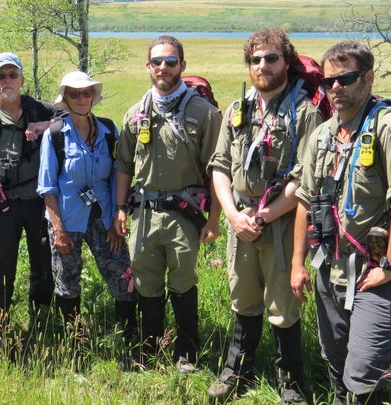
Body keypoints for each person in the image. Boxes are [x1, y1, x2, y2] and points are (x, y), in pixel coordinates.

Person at [290, 41, 391, 405]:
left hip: (373, 274)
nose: (336, 87)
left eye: (346, 78)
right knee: (335, 360)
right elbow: (305, 199)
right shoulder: (321, 135)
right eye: (329, 81)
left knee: (364, 374)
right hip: (327, 268)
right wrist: (296, 264)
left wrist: (390, 265)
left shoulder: (390, 128)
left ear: (367, 78)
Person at [207, 28, 326, 403]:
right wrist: (232, 215)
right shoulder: (237, 109)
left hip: (283, 224)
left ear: (287, 62)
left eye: (271, 57)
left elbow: (304, 179)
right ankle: (236, 371)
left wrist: (265, 216)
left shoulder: (305, 114)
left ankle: (290, 380)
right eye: (255, 59)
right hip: (240, 220)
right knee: (242, 298)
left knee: (283, 305)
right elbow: (220, 166)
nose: (262, 65)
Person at [113, 36, 222, 374]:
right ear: (148, 67)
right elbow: (124, 166)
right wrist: (119, 208)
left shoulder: (203, 113)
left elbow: (218, 170)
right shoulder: (135, 114)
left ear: (182, 66)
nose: (163, 67)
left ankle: (186, 353)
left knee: (183, 281)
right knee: (146, 282)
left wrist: (214, 219)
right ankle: (149, 352)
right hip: (143, 213)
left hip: (183, 215)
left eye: (171, 61)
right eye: (157, 61)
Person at [37, 71, 137, 344]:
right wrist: (58, 229)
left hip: (104, 217)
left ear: (94, 96)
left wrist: (119, 212)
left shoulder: (108, 130)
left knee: (120, 272)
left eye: (86, 93)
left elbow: (120, 173)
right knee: (67, 279)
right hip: (67, 221)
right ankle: (75, 339)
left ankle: (127, 336)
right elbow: (47, 187)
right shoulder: (55, 135)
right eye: (74, 94)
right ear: (65, 99)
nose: (81, 98)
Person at [0, 52, 59, 345]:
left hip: (36, 199)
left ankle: (42, 318)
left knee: (42, 259)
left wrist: (43, 127)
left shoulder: (38, 109)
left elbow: (70, 116)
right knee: (2, 262)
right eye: (1, 76)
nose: (7, 81)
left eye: (12, 75)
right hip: (1, 200)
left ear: (21, 79)